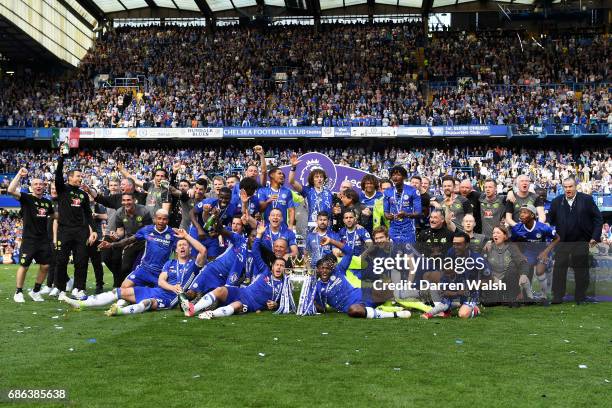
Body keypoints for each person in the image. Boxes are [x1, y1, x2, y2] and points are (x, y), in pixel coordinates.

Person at [62, 229, 206, 316]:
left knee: (147, 303)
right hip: (159, 290)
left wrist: (186, 237)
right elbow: (162, 281)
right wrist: (171, 286)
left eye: (184, 246)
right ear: (175, 250)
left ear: (189, 249)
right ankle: (81, 304)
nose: (182, 247)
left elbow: (203, 251)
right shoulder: (170, 263)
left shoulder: (194, 264)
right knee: (118, 291)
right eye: (179, 245)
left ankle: (120, 311)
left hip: (172, 299)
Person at [185, 223, 287, 319]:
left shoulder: (284, 283)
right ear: (272, 267)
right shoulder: (265, 270)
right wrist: (259, 234)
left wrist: (276, 305)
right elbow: (255, 250)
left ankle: (211, 314)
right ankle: (193, 309)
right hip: (242, 292)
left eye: (281, 266)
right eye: (277, 265)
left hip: (252, 303)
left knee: (236, 306)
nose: (278, 267)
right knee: (220, 290)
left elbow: (286, 300)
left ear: (285, 269)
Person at [312, 236, 411, 319]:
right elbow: (322, 309)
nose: (324, 271)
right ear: (318, 270)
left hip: (367, 294)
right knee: (353, 310)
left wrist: (331, 241)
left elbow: (349, 251)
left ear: (331, 268)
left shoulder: (338, 270)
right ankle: (392, 314)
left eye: (327, 268)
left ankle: (415, 302)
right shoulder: (318, 288)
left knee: (390, 285)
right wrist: (311, 301)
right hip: (356, 307)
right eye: (322, 268)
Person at [547, 177, 603, 304]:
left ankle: (580, 297)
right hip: (562, 242)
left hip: (582, 240)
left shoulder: (587, 199)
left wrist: (595, 236)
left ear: (575, 186)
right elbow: (549, 220)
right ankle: (557, 297)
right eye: (565, 187)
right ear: (563, 187)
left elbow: (598, 219)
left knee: (581, 270)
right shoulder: (556, 201)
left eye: (570, 186)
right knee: (559, 269)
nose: (568, 189)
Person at [54, 145, 97, 301]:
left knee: (81, 261)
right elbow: (57, 176)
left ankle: (79, 288)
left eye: (81, 176)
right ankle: (61, 289)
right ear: (70, 177)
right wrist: (61, 158)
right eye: (78, 176)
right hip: (65, 231)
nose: (80, 178)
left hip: (81, 231)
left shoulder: (83, 195)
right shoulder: (62, 189)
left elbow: (88, 214)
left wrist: (93, 231)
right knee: (61, 261)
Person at [98, 209, 178, 290]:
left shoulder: (173, 234)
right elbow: (129, 240)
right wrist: (111, 244)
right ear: (155, 219)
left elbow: (177, 254)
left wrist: (174, 270)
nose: (161, 221)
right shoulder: (147, 229)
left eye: (164, 219)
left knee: (160, 296)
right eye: (159, 218)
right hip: (144, 269)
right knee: (124, 287)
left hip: (161, 272)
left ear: (167, 220)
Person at [8, 168, 54, 303]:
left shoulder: (47, 202)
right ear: (31, 186)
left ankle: (35, 291)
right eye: (36, 184)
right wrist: (19, 175)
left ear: (44, 186)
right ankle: (18, 292)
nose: (39, 186)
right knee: (24, 266)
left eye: (41, 184)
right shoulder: (27, 198)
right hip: (29, 239)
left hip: (43, 239)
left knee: (45, 266)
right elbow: (10, 190)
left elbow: (53, 214)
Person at [421, 232, 483, 319]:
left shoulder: (476, 258)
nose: (455, 247)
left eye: (459, 244)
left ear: (467, 245)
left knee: (462, 315)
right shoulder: (451, 252)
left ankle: (474, 309)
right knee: (433, 281)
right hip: (455, 286)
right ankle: (447, 308)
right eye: (454, 244)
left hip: (470, 292)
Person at [102, 193, 152, 287]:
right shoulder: (119, 212)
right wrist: (116, 236)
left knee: (143, 267)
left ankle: (144, 289)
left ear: (134, 200)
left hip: (144, 242)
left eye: (128, 200)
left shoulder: (144, 211)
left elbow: (148, 231)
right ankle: (123, 290)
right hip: (130, 242)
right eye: (124, 200)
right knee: (125, 268)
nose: (126, 202)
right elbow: (120, 231)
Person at [511, 204, 559, 301]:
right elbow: (513, 242)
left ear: (532, 215)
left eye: (525, 212)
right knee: (523, 270)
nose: (521, 215)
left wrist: (545, 252)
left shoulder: (543, 227)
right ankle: (530, 296)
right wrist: (520, 255)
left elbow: (557, 238)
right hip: (529, 252)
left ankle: (544, 296)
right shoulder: (517, 228)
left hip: (543, 251)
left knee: (539, 271)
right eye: (520, 212)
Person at [483, 225, 529, 305]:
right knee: (489, 303)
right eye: (493, 233)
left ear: (505, 236)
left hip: (508, 279)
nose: (495, 235)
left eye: (498, 233)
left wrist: (523, 274)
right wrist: (492, 277)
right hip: (493, 279)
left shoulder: (511, 247)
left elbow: (523, 262)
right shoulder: (488, 247)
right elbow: (482, 265)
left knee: (512, 266)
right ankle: (501, 296)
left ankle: (513, 296)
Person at [190, 187, 234, 258]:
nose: (223, 200)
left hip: (214, 236)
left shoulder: (232, 209)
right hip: (199, 232)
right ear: (218, 196)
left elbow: (227, 226)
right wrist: (199, 229)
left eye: (227, 198)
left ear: (231, 198)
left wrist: (218, 233)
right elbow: (191, 212)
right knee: (195, 258)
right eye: (221, 197)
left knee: (212, 260)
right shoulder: (208, 202)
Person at [383, 166, 422, 243]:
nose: (395, 177)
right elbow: (386, 213)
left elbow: (418, 213)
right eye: (393, 175)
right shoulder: (387, 192)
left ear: (404, 176)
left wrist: (406, 215)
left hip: (408, 229)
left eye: (398, 175)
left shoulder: (413, 191)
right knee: (393, 254)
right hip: (393, 230)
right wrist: (388, 216)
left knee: (409, 254)